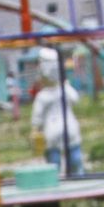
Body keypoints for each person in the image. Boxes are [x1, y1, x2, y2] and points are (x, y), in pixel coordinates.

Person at [30, 47, 84, 177]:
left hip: (65, 128)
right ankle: (58, 179)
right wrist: (36, 129)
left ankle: (77, 177)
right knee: (55, 160)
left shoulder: (62, 90)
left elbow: (75, 98)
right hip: (54, 130)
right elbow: (37, 117)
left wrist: (36, 127)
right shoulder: (43, 96)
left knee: (74, 156)